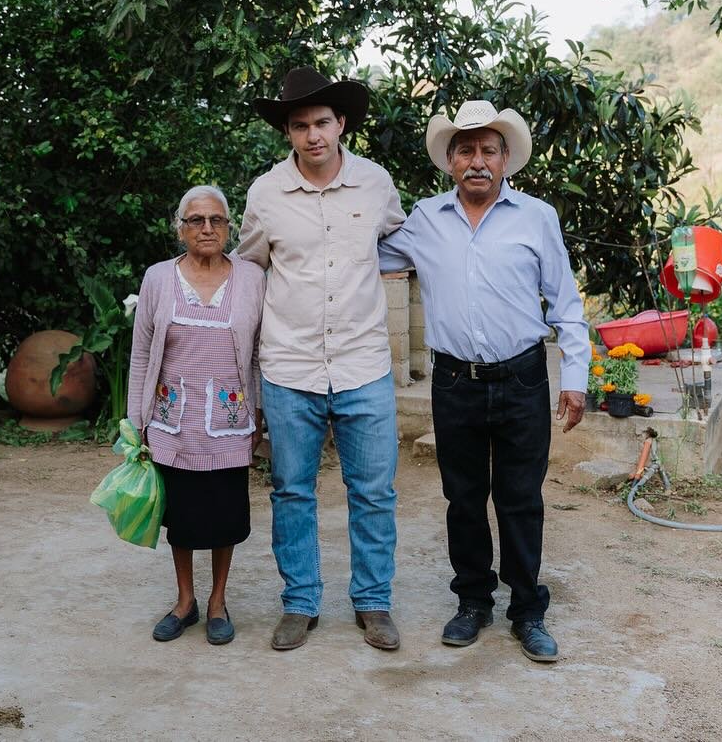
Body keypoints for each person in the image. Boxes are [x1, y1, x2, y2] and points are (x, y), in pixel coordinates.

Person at [378, 99, 589, 662]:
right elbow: (364, 256)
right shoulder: (424, 219)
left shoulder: (536, 217)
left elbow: (566, 303)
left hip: (522, 379)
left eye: (488, 150)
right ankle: (473, 601)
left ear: (505, 160)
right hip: (454, 383)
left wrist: (575, 376)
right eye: (466, 150)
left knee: (521, 499)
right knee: (463, 499)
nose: (477, 161)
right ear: (450, 161)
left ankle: (527, 610)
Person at [238, 67, 407, 652]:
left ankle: (373, 602)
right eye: (300, 126)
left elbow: (395, 243)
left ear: (341, 125)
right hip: (290, 366)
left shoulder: (376, 184)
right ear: (288, 132)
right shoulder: (265, 195)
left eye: (322, 123)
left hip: (364, 362)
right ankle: (301, 602)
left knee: (375, 490)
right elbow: (251, 266)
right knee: (291, 489)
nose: (313, 136)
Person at [126, 185, 266, 645]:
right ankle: (185, 602)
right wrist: (136, 420)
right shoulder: (157, 278)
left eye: (217, 221)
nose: (207, 228)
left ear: (229, 227)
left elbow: (261, 353)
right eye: (196, 221)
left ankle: (218, 602)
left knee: (225, 516)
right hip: (171, 421)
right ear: (180, 228)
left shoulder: (251, 277)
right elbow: (142, 353)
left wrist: (261, 411)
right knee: (182, 518)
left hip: (230, 420)